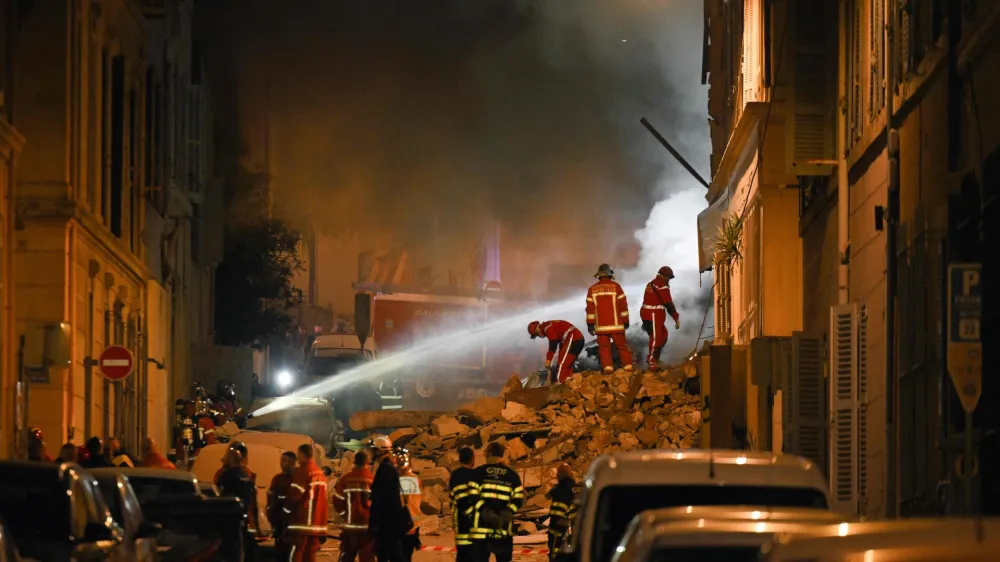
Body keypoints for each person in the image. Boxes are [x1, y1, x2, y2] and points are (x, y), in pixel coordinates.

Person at [468, 442, 524, 562]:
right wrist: (509, 511)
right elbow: (519, 498)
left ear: (488, 454)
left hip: (481, 528)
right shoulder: (512, 475)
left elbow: (472, 496)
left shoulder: (478, 473)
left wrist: (483, 511)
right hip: (502, 528)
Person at [368, 435, 411, 562]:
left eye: (374, 450)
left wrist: (374, 524)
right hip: (391, 523)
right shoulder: (388, 469)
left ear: (381, 450)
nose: (371, 453)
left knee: (393, 555)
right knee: (386, 555)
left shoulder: (385, 470)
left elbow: (380, 500)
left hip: (388, 524)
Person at [585, 263, 635, 374]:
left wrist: (590, 324)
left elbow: (589, 309)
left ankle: (608, 369)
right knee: (622, 347)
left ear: (599, 275)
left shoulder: (592, 290)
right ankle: (628, 368)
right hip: (617, 325)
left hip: (601, 327)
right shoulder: (616, 287)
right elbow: (623, 306)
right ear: (610, 274)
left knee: (604, 348)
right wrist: (626, 320)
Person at [285, 443, 329, 562]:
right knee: (310, 555)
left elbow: (294, 495)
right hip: (317, 525)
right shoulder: (320, 474)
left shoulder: (303, 472)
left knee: (297, 554)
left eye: (299, 456)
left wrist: (285, 511)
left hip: (302, 522)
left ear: (303, 455)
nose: (298, 460)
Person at [216, 441, 259, 561]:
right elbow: (251, 503)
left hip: (230, 523)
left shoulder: (224, 475)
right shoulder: (246, 475)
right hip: (241, 522)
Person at [332, 451, 375, 562]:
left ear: (355, 462)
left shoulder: (346, 479)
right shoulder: (372, 480)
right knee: (367, 557)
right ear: (367, 462)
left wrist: (345, 515)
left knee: (347, 556)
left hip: (350, 525)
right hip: (367, 526)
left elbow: (336, 500)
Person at [640, 266, 680, 371]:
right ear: (663, 276)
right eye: (669, 277)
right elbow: (668, 303)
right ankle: (652, 362)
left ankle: (654, 358)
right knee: (656, 338)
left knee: (663, 335)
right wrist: (675, 316)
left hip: (649, 314)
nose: (669, 280)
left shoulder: (652, 283)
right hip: (653, 314)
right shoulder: (661, 285)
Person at [448, 447, 479, 562]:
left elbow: (454, 498)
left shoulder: (455, 475)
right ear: (472, 459)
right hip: (472, 524)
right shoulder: (476, 475)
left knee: (462, 555)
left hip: (459, 523)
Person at [545, 464, 580, 560]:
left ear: (558, 476)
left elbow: (557, 519)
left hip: (561, 538)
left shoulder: (559, 493)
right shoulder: (580, 489)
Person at [266, 451, 295, 561]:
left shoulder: (295, 479)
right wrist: (270, 513)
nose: (281, 463)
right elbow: (271, 497)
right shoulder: (277, 479)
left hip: (290, 522)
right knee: (279, 551)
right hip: (278, 521)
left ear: (292, 462)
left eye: (284, 460)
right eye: (281, 460)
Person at [395, 449, 423, 562]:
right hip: (413, 523)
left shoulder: (403, 480)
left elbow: (403, 503)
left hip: (405, 524)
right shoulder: (415, 479)